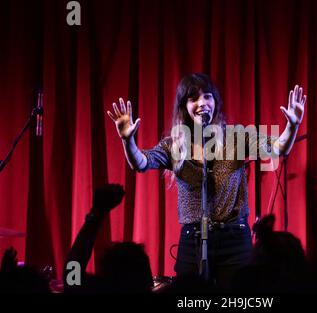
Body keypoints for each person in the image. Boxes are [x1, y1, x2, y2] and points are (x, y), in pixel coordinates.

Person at [107, 73, 306, 290]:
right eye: (194, 99)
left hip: (234, 238)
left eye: (208, 97)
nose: (202, 103)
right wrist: (128, 141)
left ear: (215, 103)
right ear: (184, 106)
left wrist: (292, 126)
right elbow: (141, 162)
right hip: (193, 240)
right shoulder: (173, 145)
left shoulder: (236, 137)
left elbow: (277, 148)